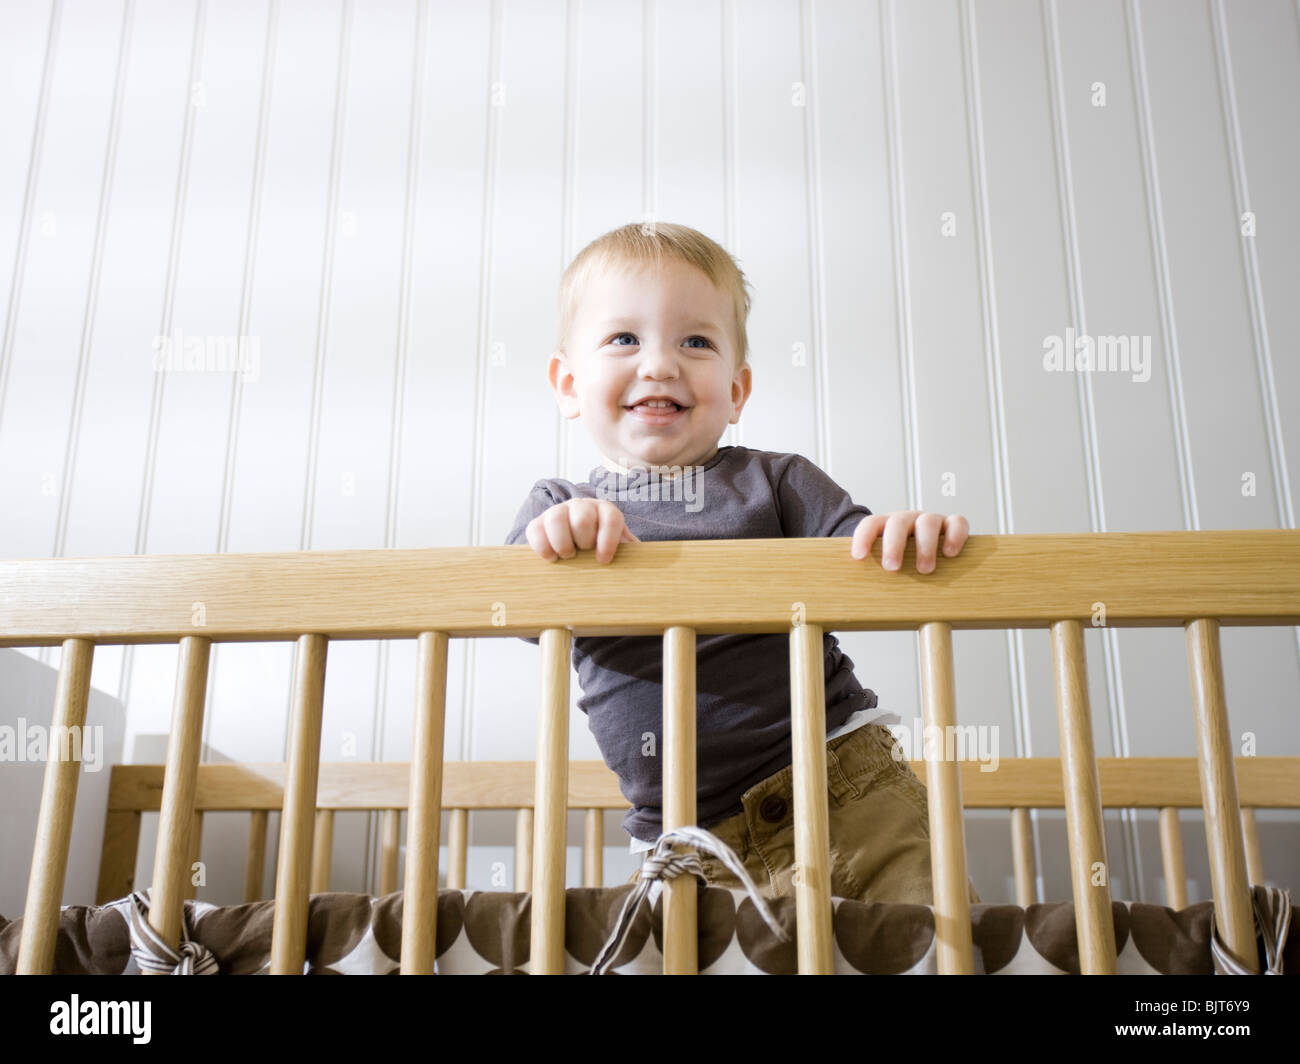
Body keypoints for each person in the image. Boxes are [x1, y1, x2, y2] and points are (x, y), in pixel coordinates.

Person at [504, 221, 979, 906]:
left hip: (841, 790)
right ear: (568, 383)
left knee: (932, 946)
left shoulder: (777, 482)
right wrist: (555, 545)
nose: (661, 363)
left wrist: (905, 534)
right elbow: (510, 609)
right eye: (624, 339)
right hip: (686, 842)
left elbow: (867, 558)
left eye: (695, 341)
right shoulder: (558, 505)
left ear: (737, 390)